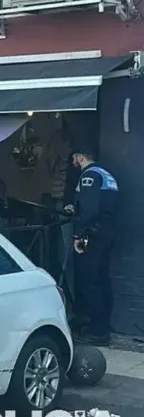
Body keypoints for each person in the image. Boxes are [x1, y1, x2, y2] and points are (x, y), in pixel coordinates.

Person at [70, 144, 118, 346]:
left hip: (93, 235)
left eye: (73, 158)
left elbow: (90, 211)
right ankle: (103, 327)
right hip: (106, 233)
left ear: (80, 157)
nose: (72, 162)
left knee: (89, 282)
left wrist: (79, 235)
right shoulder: (106, 175)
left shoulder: (89, 176)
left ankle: (97, 332)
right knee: (102, 281)